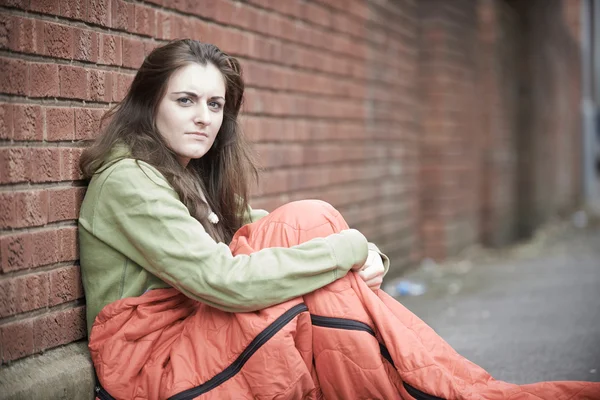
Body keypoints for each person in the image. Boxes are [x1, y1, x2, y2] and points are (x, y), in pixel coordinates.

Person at [78, 39, 388, 337]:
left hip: (200, 334)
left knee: (308, 222)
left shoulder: (189, 177)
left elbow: (280, 229)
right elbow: (223, 280)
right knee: (319, 298)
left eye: (215, 105)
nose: (203, 118)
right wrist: (348, 250)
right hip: (148, 356)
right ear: (150, 103)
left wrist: (367, 254)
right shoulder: (130, 181)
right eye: (185, 100)